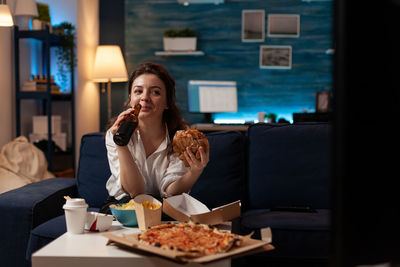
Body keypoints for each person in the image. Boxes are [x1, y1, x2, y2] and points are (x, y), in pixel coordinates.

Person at [100, 62, 209, 214]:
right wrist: (121, 144)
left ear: (167, 103)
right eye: (138, 91)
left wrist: (194, 172)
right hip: (124, 205)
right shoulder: (115, 134)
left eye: (155, 92)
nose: (145, 98)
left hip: (165, 206)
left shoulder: (180, 136)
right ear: (130, 98)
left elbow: (170, 191)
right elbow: (134, 191)